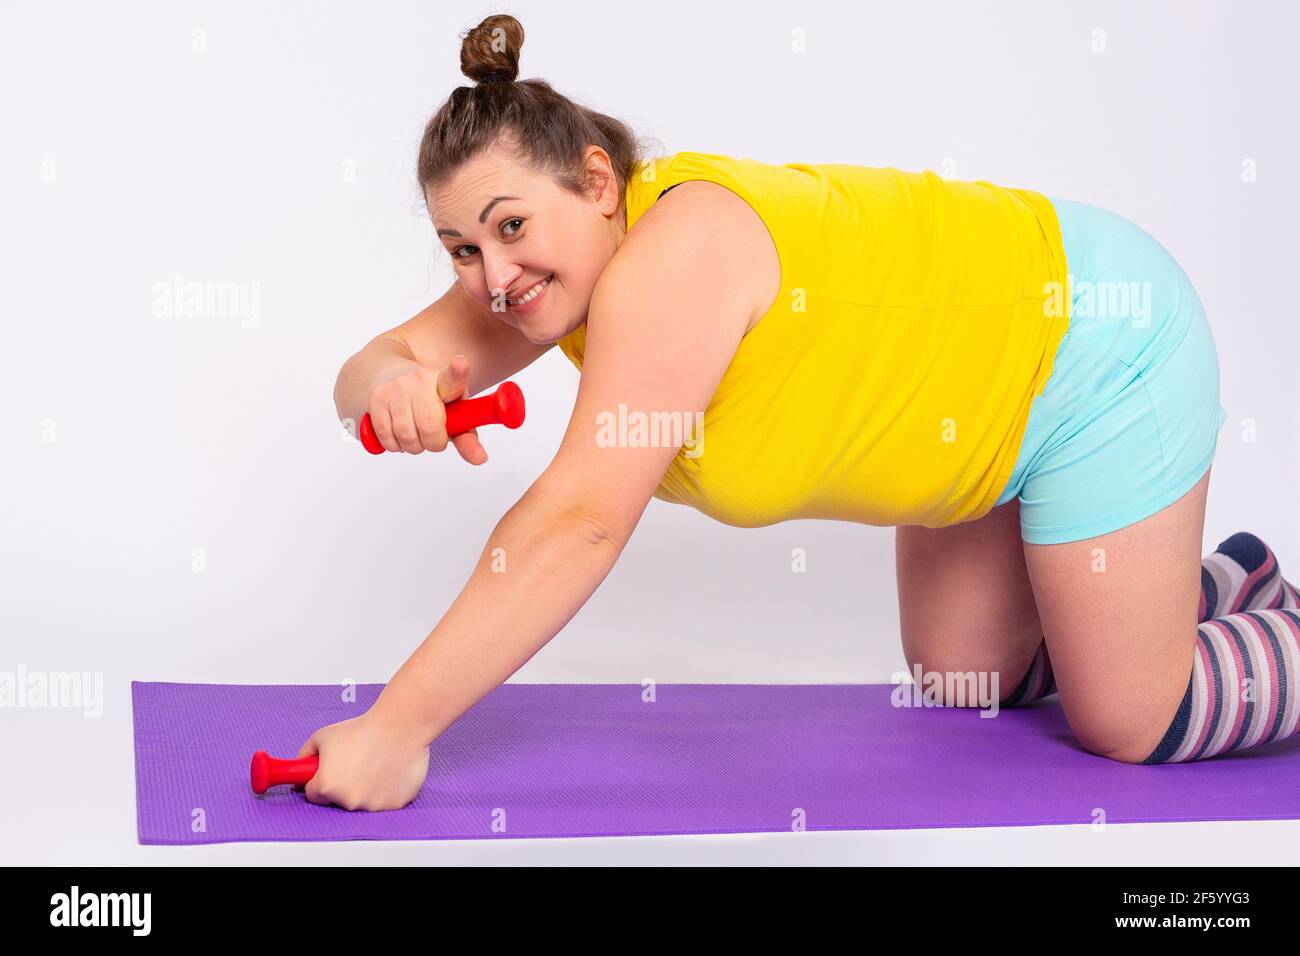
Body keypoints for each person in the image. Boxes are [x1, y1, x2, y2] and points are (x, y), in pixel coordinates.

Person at [302, 13, 1300, 811]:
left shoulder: (672, 256)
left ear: (598, 183)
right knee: (964, 674)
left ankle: (1189, 633)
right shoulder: (541, 281)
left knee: (1128, 717)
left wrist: (399, 726)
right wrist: (390, 387)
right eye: (461, 249)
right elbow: (374, 367)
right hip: (987, 422)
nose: (493, 274)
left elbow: (581, 518)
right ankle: (1215, 581)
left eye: (510, 227)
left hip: (1091, 348)